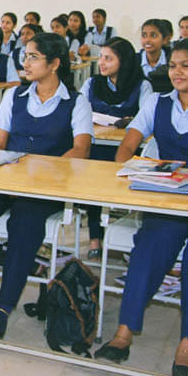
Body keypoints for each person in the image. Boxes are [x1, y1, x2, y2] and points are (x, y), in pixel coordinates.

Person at [95, 38, 188, 376]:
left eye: (186, 66)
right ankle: (125, 331)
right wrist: (133, 168)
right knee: (148, 248)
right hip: (167, 201)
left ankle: (187, 344)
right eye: (173, 65)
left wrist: (169, 175)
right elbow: (127, 146)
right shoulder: (156, 103)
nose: (177, 72)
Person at [0, 32, 92, 338]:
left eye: (33, 57)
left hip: (44, 186)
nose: (24, 62)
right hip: (6, 177)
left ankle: (3, 309)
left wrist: (43, 174)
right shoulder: (15, 96)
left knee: (26, 223)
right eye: (24, 55)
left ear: (54, 64)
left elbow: (80, 150)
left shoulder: (76, 103)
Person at [79, 36, 152, 258]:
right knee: (93, 176)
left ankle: (129, 237)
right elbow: (79, 112)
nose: (101, 63)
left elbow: (147, 118)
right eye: (101, 57)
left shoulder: (142, 85)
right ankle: (94, 238)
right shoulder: (92, 83)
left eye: (108, 59)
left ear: (125, 61)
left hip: (129, 149)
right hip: (98, 145)